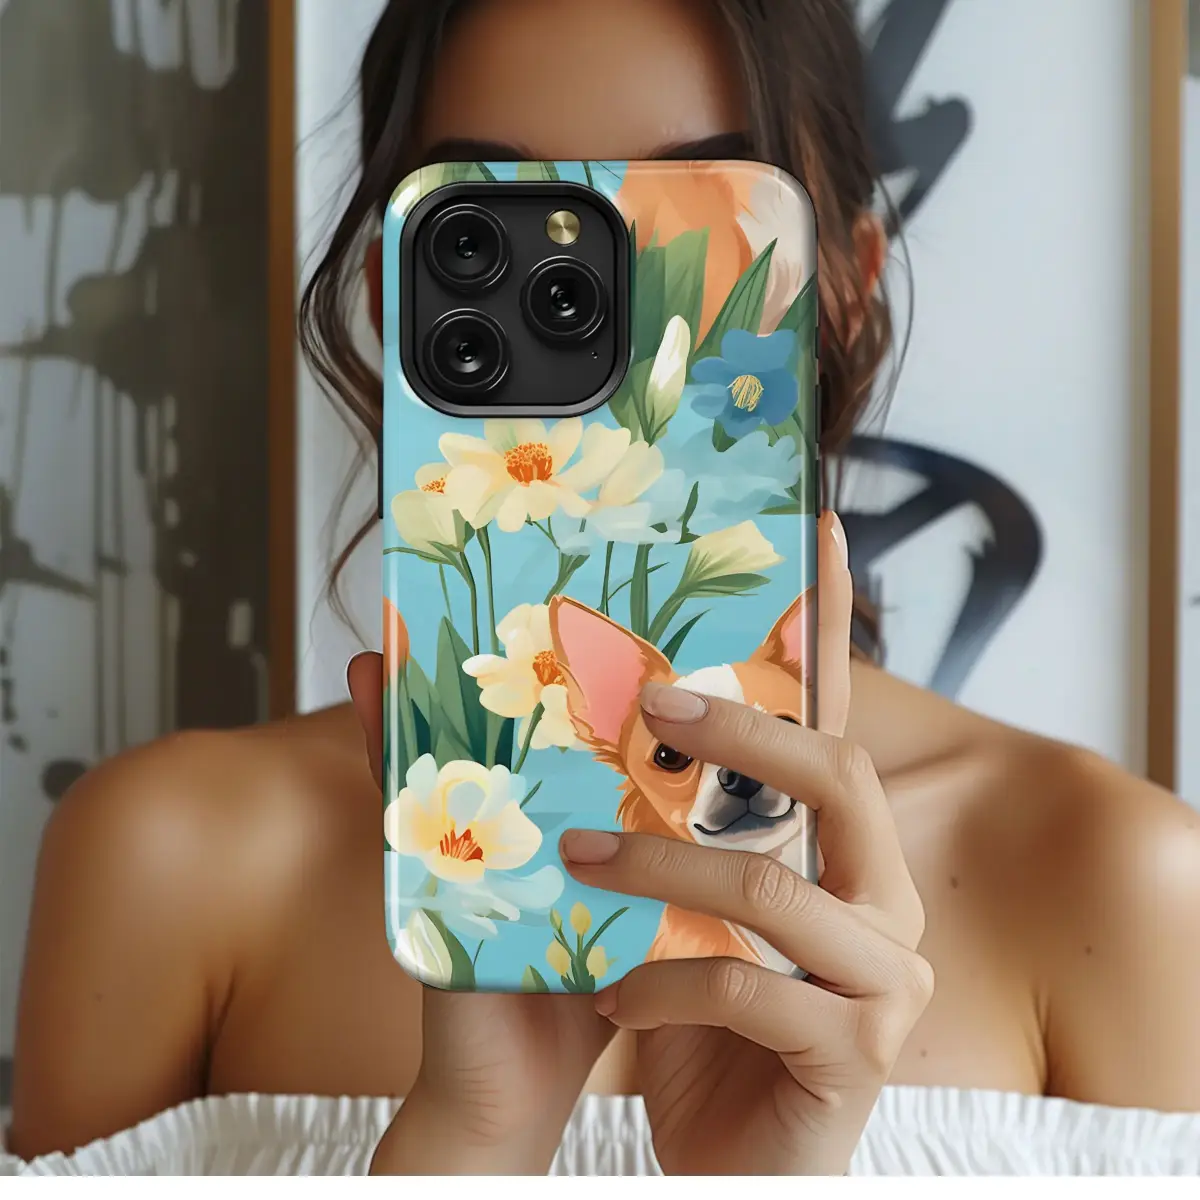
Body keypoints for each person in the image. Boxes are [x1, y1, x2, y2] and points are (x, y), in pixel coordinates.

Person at [7, 0, 1200, 1177]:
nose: (611, 308)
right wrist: (473, 1142)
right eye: (491, 228)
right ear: (391, 293)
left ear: (847, 287)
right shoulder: (171, 863)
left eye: (700, 214)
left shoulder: (1113, 882)